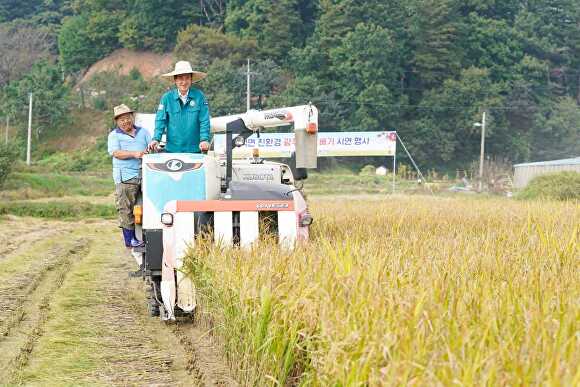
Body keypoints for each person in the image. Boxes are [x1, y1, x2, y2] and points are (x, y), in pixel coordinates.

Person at [107, 104, 151, 248]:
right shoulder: (114, 135)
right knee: (126, 207)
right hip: (125, 177)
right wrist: (134, 153)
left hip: (145, 174)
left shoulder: (143, 132)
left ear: (132, 117)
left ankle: (148, 236)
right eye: (121, 120)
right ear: (117, 122)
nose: (125, 122)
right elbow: (116, 153)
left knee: (149, 205)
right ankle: (130, 239)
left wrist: (152, 149)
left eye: (127, 118)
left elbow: (151, 147)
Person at [148, 60, 211, 153]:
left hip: (195, 150)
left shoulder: (199, 96)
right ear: (175, 80)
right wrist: (156, 139)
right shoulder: (166, 98)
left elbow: (204, 120)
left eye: (187, 78)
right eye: (180, 78)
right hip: (172, 150)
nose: (184, 82)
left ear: (191, 79)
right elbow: (160, 121)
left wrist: (204, 139)